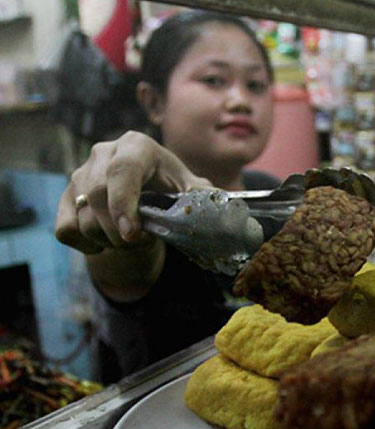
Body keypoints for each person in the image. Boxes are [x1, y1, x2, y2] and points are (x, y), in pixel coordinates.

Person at [55, 11, 279, 383]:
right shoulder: (149, 211)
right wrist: (120, 207)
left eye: (256, 85)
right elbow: (125, 258)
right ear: (154, 102)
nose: (241, 99)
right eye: (214, 80)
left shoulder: (272, 194)